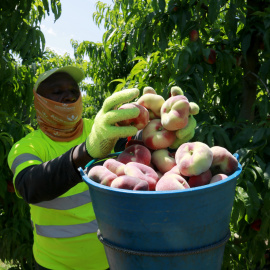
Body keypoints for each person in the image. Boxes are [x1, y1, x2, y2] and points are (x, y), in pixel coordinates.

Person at [8, 66, 140, 270]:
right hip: (54, 264)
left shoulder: (98, 129)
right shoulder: (27, 147)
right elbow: (29, 186)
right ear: (40, 100)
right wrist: (86, 151)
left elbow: (135, 151)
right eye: (57, 91)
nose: (68, 96)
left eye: (73, 91)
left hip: (108, 259)